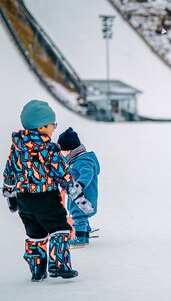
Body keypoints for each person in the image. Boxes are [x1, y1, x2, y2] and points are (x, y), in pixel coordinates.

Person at [2, 100, 94, 282]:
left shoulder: (17, 149)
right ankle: (59, 266)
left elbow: (9, 172)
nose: (54, 128)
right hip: (47, 198)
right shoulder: (50, 150)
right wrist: (80, 200)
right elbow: (64, 177)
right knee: (60, 229)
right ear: (42, 126)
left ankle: (37, 270)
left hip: (25, 200)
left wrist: (10, 195)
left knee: (35, 235)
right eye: (53, 124)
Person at [58, 127, 100, 247]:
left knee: (78, 215)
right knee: (81, 214)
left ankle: (80, 238)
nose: (62, 154)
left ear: (70, 150)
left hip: (82, 195)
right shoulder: (77, 160)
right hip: (78, 195)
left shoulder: (82, 161)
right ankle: (85, 232)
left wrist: (79, 185)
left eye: (64, 152)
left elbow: (88, 173)